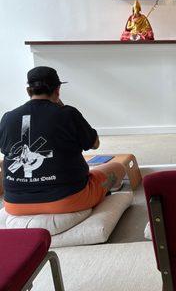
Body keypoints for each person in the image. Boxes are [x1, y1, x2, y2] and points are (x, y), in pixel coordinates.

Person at [0, 66, 125, 216]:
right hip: (68, 200)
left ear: (28, 91)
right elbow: (94, 144)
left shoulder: (8, 117)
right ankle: (100, 193)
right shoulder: (67, 114)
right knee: (117, 168)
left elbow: (7, 152)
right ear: (58, 90)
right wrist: (63, 108)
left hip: (14, 204)